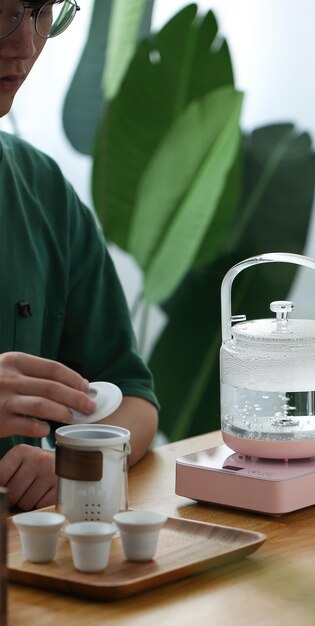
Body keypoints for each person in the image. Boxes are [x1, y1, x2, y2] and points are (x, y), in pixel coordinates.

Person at [0, 0, 159, 510]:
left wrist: (81, 458)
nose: (24, 46)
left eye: (40, 11)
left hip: (25, 558)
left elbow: (132, 398)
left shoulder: (40, 189)